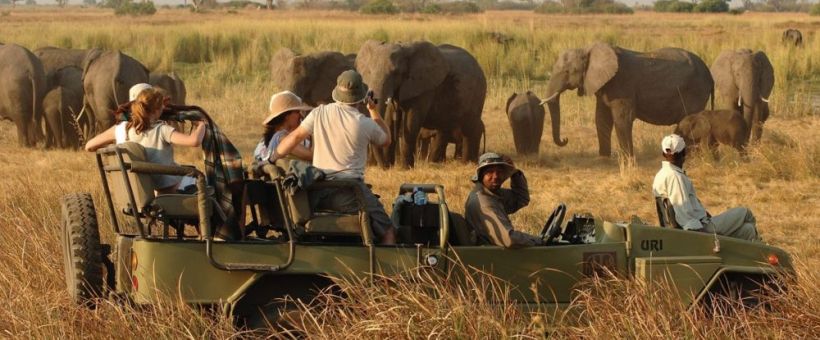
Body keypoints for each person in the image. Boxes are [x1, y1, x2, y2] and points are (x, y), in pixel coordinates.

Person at [273, 70, 396, 244]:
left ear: (337, 93)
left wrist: (272, 158)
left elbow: (293, 138)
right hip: (348, 192)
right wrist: (373, 110)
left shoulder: (319, 113)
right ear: (361, 97)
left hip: (317, 192)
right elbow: (386, 140)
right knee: (388, 229)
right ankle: (385, 271)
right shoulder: (364, 123)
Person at [85, 87, 207, 195]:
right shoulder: (162, 130)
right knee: (201, 180)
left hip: (135, 192)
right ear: (156, 111)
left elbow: (89, 146)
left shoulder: (119, 129)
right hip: (166, 190)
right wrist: (201, 124)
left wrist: (114, 147)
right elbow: (194, 141)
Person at [652, 134, 760, 241]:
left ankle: (757, 248)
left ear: (663, 154)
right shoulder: (675, 177)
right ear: (684, 153)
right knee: (745, 212)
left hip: (701, 224)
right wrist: (699, 234)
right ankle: (765, 252)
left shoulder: (661, 174)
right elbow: (684, 212)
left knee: (748, 230)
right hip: (701, 230)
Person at [464, 152, 543, 248]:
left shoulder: (492, 193)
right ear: (481, 176)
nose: (496, 176)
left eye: (499, 172)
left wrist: (514, 173)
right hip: (489, 258)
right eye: (489, 172)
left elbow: (521, 198)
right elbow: (509, 239)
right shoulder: (484, 202)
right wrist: (539, 241)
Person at [252, 91, 313, 165]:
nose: (301, 116)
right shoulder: (283, 139)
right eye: (297, 112)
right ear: (287, 116)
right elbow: (311, 156)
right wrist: (314, 135)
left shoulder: (271, 137)